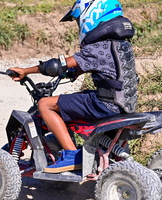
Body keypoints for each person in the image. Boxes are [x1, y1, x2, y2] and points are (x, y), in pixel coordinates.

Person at [9, 0, 138, 174]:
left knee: (45, 104)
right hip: (123, 103)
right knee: (78, 98)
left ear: (91, 16)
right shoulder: (121, 45)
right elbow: (99, 68)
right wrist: (73, 72)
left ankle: (71, 155)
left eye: (79, 21)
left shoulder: (97, 47)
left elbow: (56, 66)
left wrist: (26, 71)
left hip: (105, 104)